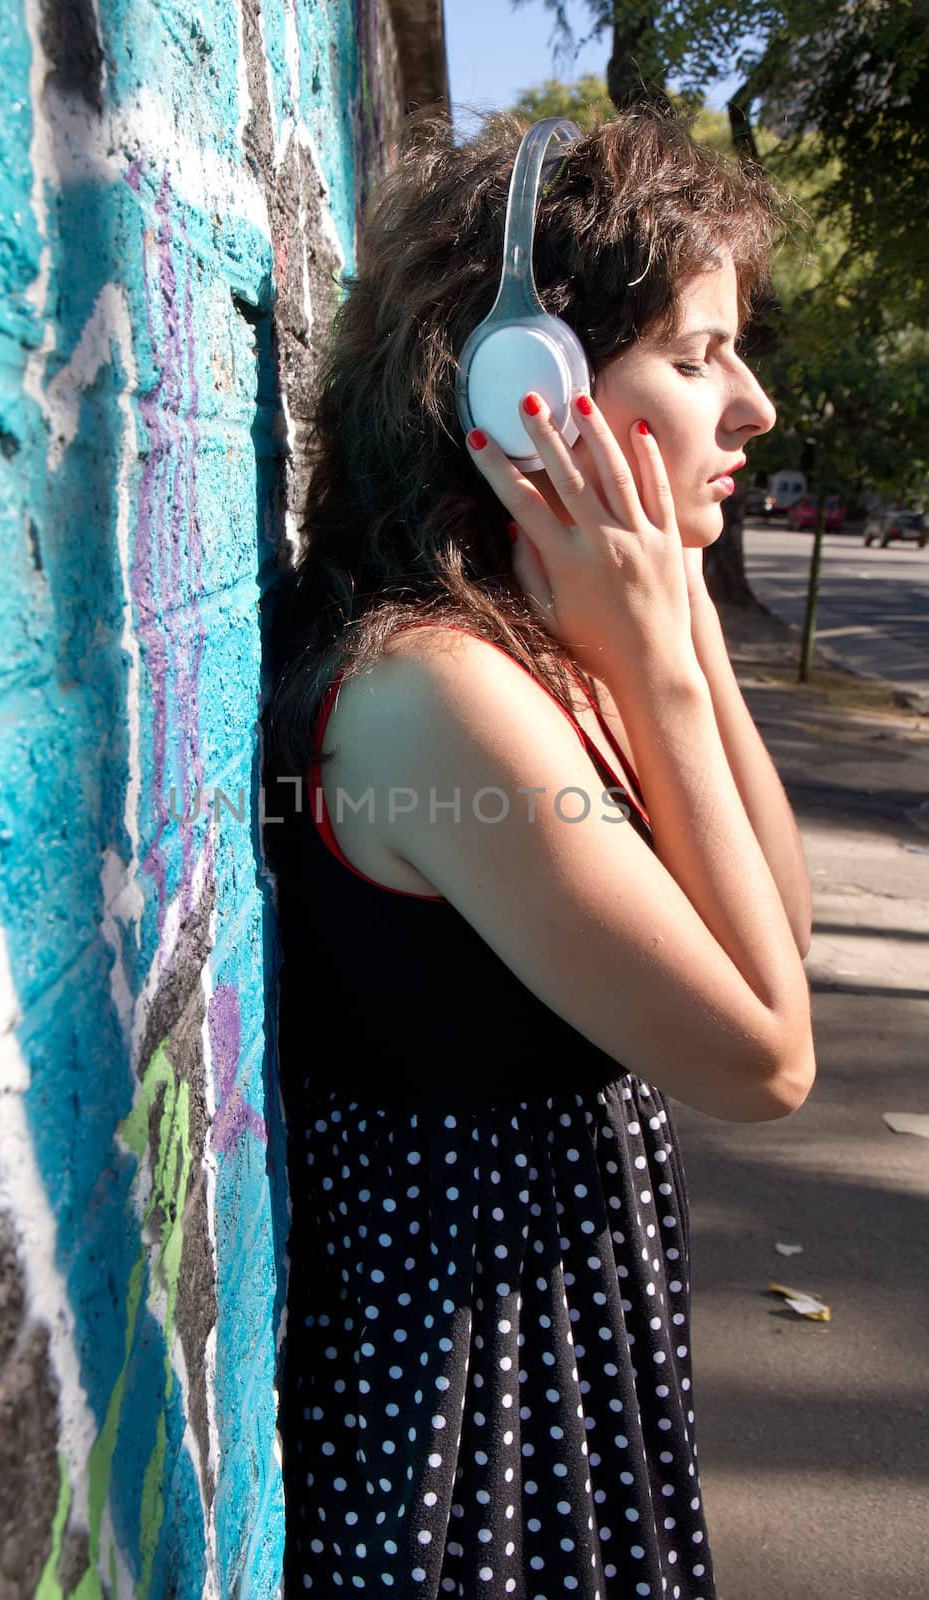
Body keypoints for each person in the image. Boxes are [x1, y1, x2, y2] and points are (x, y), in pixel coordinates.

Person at [262, 103, 815, 1600]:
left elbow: (778, 927)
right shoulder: (439, 699)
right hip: (477, 1398)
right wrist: (660, 669)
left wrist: (670, 626)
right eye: (699, 358)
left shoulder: (554, 658)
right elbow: (766, 1056)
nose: (752, 405)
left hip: (568, 1337)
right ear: (526, 396)